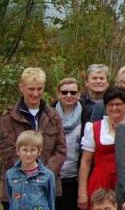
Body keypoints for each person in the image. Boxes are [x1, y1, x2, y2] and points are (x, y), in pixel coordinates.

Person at [0, 67, 66, 210]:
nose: (36, 93)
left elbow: (61, 150)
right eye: (31, 89)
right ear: (21, 87)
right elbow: (7, 151)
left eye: (39, 88)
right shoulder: (7, 118)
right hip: (15, 186)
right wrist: (25, 171)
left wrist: (42, 174)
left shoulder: (53, 116)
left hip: (46, 186)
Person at [78, 85, 125, 210]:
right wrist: (82, 192)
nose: (114, 108)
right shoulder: (94, 127)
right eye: (110, 104)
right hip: (100, 181)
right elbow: (86, 161)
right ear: (105, 107)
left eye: (118, 104)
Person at [54, 77, 90, 210]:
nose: (69, 95)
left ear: (79, 94)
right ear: (58, 94)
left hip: (76, 177)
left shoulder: (87, 115)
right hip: (53, 175)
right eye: (64, 92)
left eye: (73, 92)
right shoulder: (47, 114)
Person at [5, 130, 56, 210]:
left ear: (39, 152)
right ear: (18, 151)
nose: (28, 154)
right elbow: (10, 199)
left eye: (33, 150)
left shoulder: (47, 175)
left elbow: (51, 201)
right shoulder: (10, 174)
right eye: (24, 150)